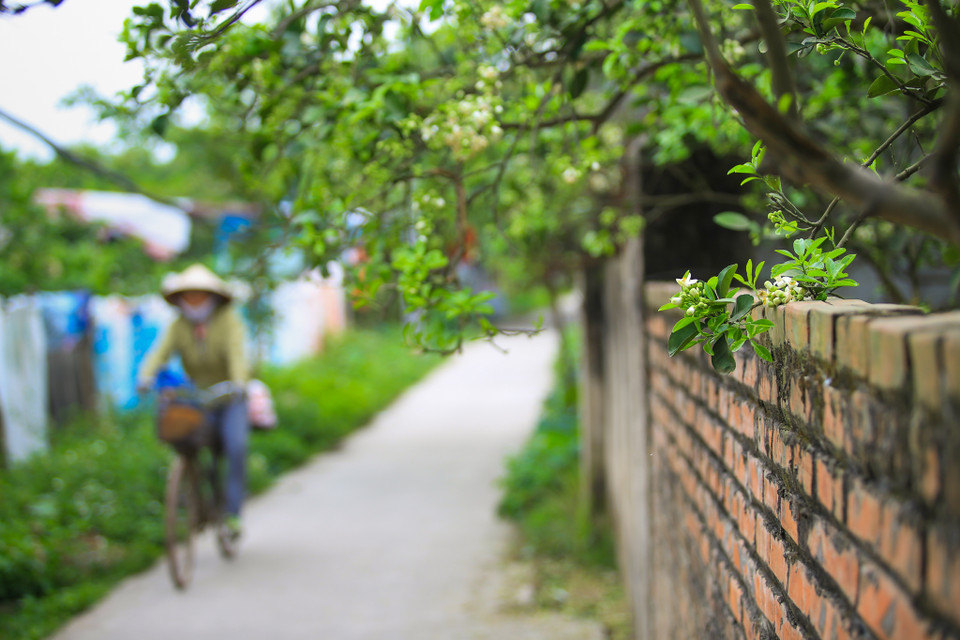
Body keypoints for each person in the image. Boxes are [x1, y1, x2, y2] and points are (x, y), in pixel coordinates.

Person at [137, 263, 250, 538]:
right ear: (181, 299)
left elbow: (238, 355)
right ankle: (194, 500)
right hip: (199, 397)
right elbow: (158, 354)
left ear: (212, 297)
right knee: (185, 439)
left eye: (200, 295)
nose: (195, 301)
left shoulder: (229, 321)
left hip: (229, 396)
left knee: (236, 447)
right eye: (190, 296)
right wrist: (145, 377)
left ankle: (233, 513)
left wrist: (238, 383)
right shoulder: (179, 326)